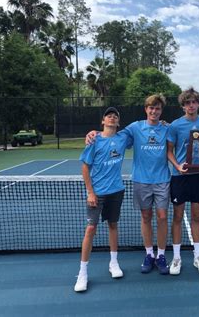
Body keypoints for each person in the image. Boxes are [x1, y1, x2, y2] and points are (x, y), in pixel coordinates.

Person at [85, 95, 171, 275]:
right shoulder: (134, 128)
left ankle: (161, 255)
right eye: (151, 108)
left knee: (162, 216)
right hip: (141, 180)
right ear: (146, 109)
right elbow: (110, 134)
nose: (154, 111)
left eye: (157, 109)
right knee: (146, 216)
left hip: (162, 179)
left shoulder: (166, 128)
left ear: (161, 111)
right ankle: (149, 254)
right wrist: (94, 132)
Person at [74, 107, 133, 292]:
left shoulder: (123, 138)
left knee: (113, 225)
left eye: (115, 116)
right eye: (109, 116)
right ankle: (82, 273)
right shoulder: (94, 140)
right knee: (91, 228)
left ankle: (113, 263)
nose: (112, 117)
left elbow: (144, 130)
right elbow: (85, 167)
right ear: (103, 121)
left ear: (118, 122)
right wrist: (90, 192)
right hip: (97, 193)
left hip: (117, 190)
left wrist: (163, 122)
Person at [167, 87, 199, 275]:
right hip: (179, 178)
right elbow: (169, 150)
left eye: (194, 102)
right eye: (187, 103)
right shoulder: (175, 125)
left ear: (198, 103)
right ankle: (176, 258)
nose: (191, 105)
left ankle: (198, 256)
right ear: (183, 106)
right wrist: (177, 166)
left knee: (197, 217)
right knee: (177, 218)